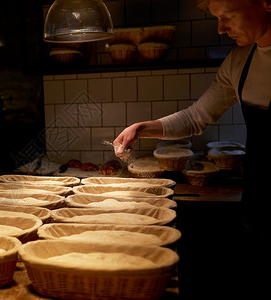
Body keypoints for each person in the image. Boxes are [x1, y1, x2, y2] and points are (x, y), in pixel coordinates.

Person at [113, 0, 270, 297]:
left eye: (228, 16)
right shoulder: (240, 62)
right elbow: (196, 118)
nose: (221, 29)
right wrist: (142, 128)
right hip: (259, 207)